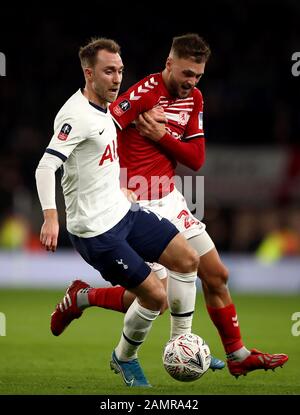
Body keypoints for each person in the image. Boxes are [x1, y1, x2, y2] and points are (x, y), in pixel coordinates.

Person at [49, 34, 289, 378]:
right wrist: (116, 183)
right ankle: (86, 302)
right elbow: (104, 128)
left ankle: (235, 354)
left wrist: (162, 137)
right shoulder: (144, 93)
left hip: (170, 198)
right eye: (186, 74)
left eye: (198, 76)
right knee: (153, 296)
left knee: (216, 275)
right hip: (136, 202)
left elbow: (196, 158)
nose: (191, 82)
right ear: (169, 64)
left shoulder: (195, 100)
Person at [35, 37, 203, 387]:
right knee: (155, 297)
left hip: (123, 211)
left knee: (187, 260)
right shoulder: (75, 115)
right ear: (89, 74)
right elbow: (45, 167)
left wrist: (120, 185)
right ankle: (124, 358)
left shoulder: (106, 110)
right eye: (108, 71)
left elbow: (104, 156)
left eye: (120, 71)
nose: (116, 78)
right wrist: (51, 216)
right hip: (96, 232)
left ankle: (181, 340)